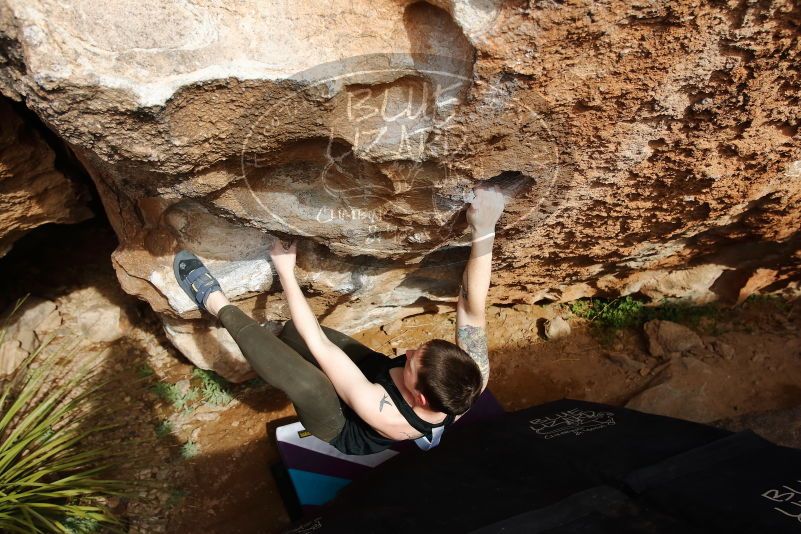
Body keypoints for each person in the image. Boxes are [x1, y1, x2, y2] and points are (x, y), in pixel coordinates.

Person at [173, 185, 505, 455]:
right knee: (293, 334)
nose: (407, 351)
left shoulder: (384, 412)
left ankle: (214, 302)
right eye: (420, 349)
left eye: (411, 364)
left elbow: (321, 347)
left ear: (418, 397)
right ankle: (273, 346)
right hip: (373, 377)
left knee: (310, 383)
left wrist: (286, 272)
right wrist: (485, 228)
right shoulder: (473, 375)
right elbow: (472, 307)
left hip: (341, 426)